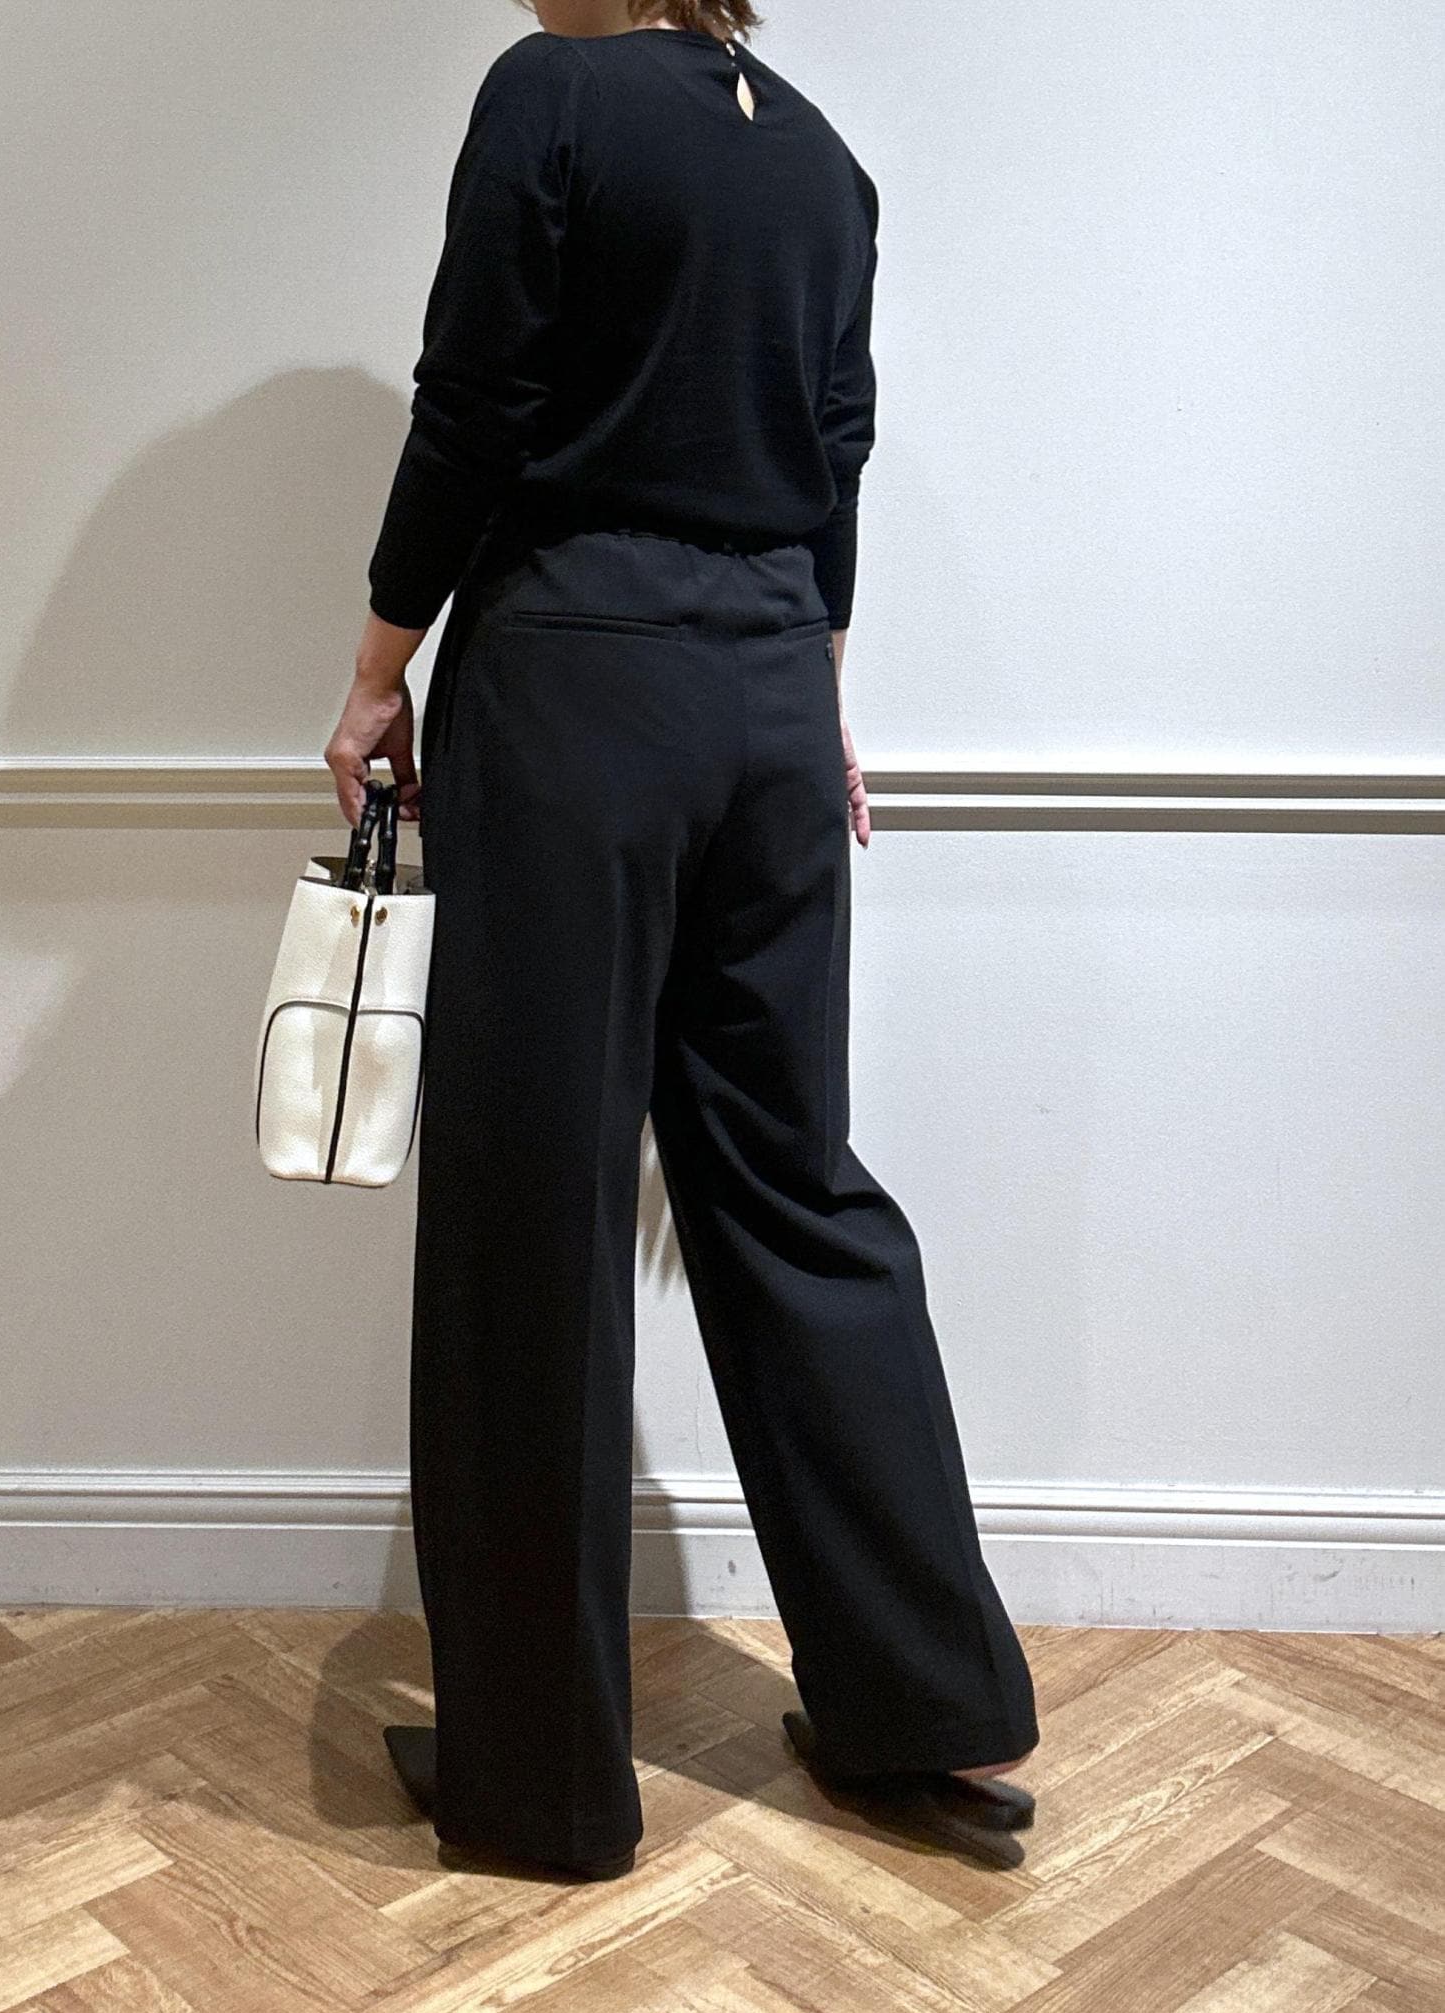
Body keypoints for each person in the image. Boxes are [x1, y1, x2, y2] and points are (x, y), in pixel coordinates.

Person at [324, 0, 1041, 1882]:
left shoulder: (549, 94)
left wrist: (381, 664)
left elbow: (476, 398)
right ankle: (930, 1706)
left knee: (535, 1210)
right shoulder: (820, 155)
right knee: (791, 1181)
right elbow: (835, 457)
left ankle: (544, 1785)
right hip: (772, 697)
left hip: (579, 678)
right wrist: (819, 701)